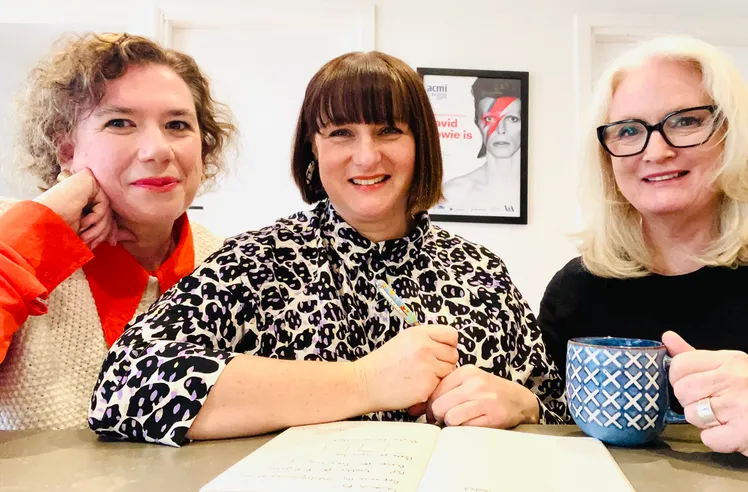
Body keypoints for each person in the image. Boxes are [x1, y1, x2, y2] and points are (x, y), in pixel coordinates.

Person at [89, 51, 566, 447]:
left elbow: (561, 408)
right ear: (312, 151)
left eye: (389, 131)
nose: (366, 156)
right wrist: (363, 381)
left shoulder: (481, 272)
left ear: (422, 146)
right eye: (341, 133)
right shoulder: (256, 262)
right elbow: (124, 388)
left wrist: (523, 405)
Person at [538, 37, 748, 463]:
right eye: (628, 130)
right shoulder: (577, 289)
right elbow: (548, 421)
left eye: (685, 121)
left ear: (732, 132)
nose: (657, 151)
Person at [0, 32, 235, 430]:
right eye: (120, 122)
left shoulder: (230, 263)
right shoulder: (13, 243)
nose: (158, 150)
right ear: (66, 150)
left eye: (177, 124)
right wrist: (39, 229)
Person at [440, 78, 523, 215]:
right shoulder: (452, 193)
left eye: (512, 119)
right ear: (477, 123)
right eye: (489, 119)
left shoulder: (545, 191)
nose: (501, 129)